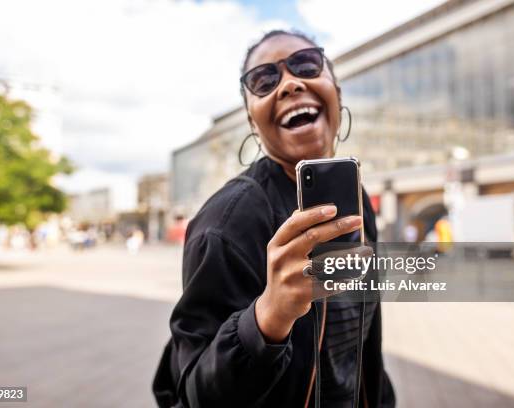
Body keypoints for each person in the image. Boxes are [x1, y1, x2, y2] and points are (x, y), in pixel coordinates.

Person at [154, 30, 395, 407]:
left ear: (336, 89)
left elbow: (360, 350)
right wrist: (268, 316)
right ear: (252, 121)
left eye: (306, 64)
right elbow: (195, 395)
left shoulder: (358, 200)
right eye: (264, 80)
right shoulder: (225, 224)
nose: (290, 84)